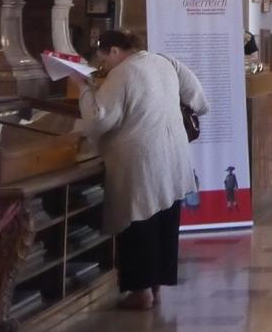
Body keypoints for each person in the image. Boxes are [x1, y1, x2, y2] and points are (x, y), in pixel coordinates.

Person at [77, 29, 208, 311]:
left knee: (138, 222)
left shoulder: (123, 72)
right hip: (173, 153)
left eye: (104, 59)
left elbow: (100, 118)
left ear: (114, 51)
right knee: (164, 218)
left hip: (142, 160)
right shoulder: (164, 61)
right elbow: (197, 94)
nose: (104, 67)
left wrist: (84, 89)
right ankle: (157, 285)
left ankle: (140, 292)